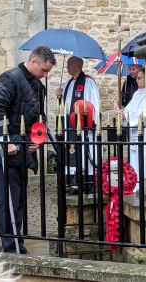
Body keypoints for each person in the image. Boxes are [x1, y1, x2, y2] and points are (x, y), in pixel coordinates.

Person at [0, 46, 56, 254]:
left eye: (48, 73)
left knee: (18, 201)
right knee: (8, 200)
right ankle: (10, 246)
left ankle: (17, 241)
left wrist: (38, 139)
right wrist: (5, 141)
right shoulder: (9, 79)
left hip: (25, 150)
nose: (45, 76)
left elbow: (38, 119)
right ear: (34, 61)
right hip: (7, 152)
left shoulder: (38, 86)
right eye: (44, 70)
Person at [56, 56, 100, 190]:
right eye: (67, 64)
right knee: (71, 151)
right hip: (70, 126)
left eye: (70, 65)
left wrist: (92, 123)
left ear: (78, 67)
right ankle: (72, 182)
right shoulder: (67, 84)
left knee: (85, 152)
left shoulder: (88, 82)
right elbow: (64, 107)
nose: (67, 67)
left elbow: (95, 104)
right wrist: (59, 96)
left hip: (84, 126)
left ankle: (88, 183)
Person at [116, 68, 146, 192]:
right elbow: (128, 110)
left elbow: (143, 116)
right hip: (134, 134)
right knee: (134, 163)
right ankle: (135, 187)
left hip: (143, 134)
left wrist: (127, 116)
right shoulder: (136, 94)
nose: (137, 80)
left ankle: (143, 187)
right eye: (137, 78)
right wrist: (122, 113)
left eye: (140, 78)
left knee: (142, 162)